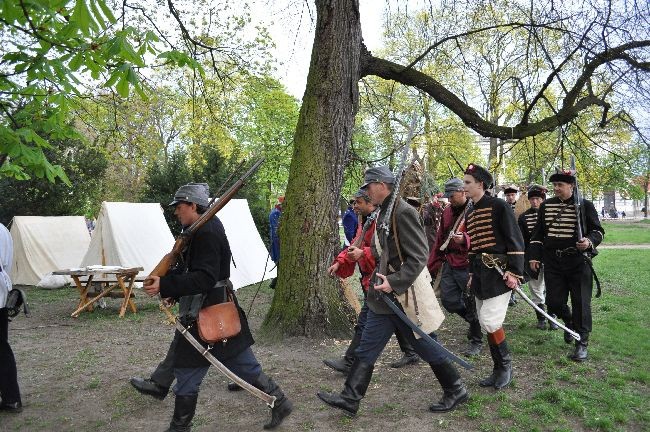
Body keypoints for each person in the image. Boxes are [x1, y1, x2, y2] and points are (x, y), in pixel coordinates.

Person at [318, 166, 468, 416]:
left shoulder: (403, 212)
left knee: (426, 345)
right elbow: (383, 249)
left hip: (403, 294)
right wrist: (368, 257)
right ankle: (350, 398)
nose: (366, 192)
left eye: (368, 187)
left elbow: (419, 254)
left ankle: (456, 389)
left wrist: (394, 281)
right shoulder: (383, 212)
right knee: (367, 346)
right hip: (384, 296)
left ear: (381, 185)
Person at [141, 183, 292, 431]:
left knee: (199, 370)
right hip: (206, 309)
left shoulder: (207, 231)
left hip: (210, 311)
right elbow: (193, 271)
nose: (176, 212)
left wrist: (166, 285)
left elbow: (205, 278)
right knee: (236, 366)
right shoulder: (198, 229)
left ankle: (179, 427)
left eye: (179, 207)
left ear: (192, 205)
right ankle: (281, 402)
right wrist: (173, 292)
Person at [323, 189, 419, 375]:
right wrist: (340, 262)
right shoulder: (366, 221)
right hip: (372, 280)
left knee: (368, 322)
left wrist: (363, 254)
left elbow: (387, 251)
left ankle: (351, 362)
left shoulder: (381, 221)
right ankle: (412, 351)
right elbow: (356, 243)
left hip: (383, 279)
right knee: (394, 319)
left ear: (370, 203)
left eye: (358, 202)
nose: (355, 206)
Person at [528, 169, 604, 362]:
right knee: (553, 302)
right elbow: (538, 234)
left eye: (560, 185)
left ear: (571, 186)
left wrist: (588, 241)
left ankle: (582, 342)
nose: (556, 189)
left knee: (581, 303)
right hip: (553, 261)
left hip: (578, 261)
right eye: (554, 185)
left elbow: (598, 231)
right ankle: (569, 323)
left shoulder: (585, 205)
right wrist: (534, 256)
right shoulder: (546, 206)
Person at [464, 164, 525, 390]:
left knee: (490, 321)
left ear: (480, 184)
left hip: (500, 272)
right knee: (485, 321)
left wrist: (515, 272)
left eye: (468, 183)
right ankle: (497, 368)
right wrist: (471, 272)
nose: (464, 187)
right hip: (480, 273)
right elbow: (474, 247)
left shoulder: (499, 206)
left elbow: (515, 239)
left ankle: (505, 366)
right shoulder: (470, 211)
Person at [428, 178, 483, 356]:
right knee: (449, 301)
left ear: (462, 192)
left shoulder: (476, 209)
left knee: (471, 302)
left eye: (451, 196)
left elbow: (484, 238)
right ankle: (475, 323)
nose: (449, 199)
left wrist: (465, 240)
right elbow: (440, 238)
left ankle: (476, 339)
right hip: (450, 262)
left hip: (469, 262)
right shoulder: (447, 212)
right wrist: (432, 263)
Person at [518, 185, 556, 330]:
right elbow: (522, 240)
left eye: (537, 199)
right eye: (532, 199)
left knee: (553, 289)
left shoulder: (551, 214)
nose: (534, 202)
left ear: (543, 199)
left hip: (551, 257)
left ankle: (552, 318)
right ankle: (541, 318)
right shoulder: (524, 217)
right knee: (536, 289)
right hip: (533, 257)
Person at [1, 222, 22, 414]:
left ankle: (11, 397)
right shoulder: (3, 230)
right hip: (1, 296)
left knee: (1, 348)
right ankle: (10, 398)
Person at [268, 196, 283, 289]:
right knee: (279, 261)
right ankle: (275, 283)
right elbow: (276, 231)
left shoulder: (279, 212)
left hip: (279, 241)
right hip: (277, 242)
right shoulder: (275, 213)